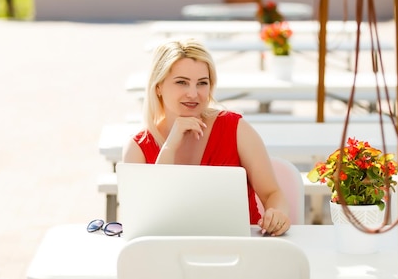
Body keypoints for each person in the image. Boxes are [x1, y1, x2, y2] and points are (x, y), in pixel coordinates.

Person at [122, 38, 291, 236]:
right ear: (158, 86)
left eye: (202, 83)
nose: (193, 94)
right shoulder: (137, 148)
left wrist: (277, 214)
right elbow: (145, 221)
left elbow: (273, 194)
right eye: (181, 82)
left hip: (241, 251)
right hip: (167, 255)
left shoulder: (236, 129)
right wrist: (169, 147)